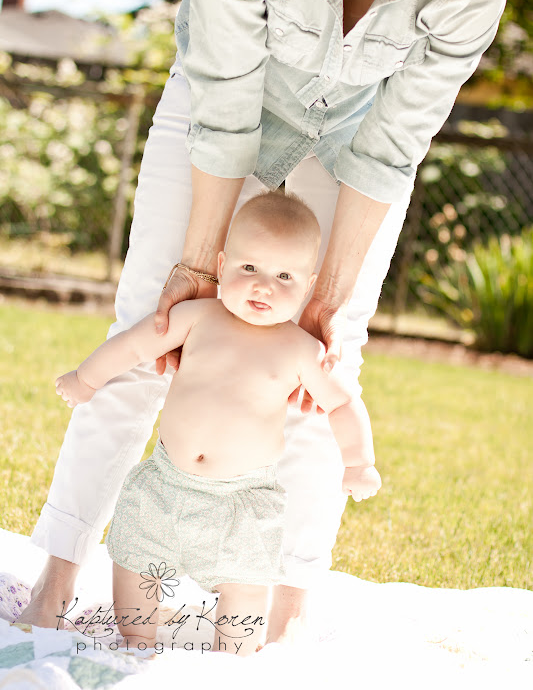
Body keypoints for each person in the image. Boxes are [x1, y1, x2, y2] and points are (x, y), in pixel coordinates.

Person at [19, 0, 508, 645]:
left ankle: (284, 614)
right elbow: (225, 105)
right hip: (219, 113)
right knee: (149, 330)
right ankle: (57, 579)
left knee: (326, 361)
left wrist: (326, 301)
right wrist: (198, 262)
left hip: (354, 145)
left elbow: (390, 146)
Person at [54, 191, 381, 656]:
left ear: (308, 286)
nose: (263, 287)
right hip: (166, 484)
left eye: (284, 276)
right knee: (135, 569)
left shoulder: (300, 350)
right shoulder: (197, 316)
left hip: (242, 504)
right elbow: (133, 345)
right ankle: (136, 645)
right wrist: (86, 379)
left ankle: (231, 661)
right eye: (250, 268)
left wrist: (358, 462)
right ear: (222, 265)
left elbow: (343, 403)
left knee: (243, 600)